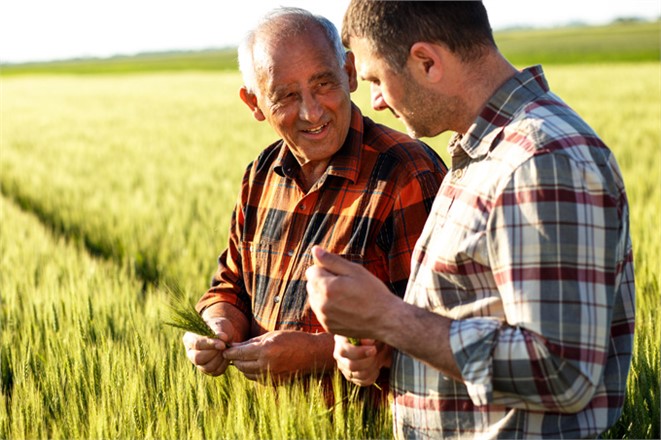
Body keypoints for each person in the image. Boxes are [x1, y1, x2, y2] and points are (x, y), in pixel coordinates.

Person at [306, 1, 636, 437]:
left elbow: (562, 371)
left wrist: (390, 317)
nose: (376, 102)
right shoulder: (484, 151)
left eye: (376, 80)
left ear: (427, 62)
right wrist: (392, 345)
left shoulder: (540, 160)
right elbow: (480, 312)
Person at [181, 5, 447, 397]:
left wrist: (318, 354)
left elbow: (440, 330)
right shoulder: (260, 174)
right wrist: (218, 328)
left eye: (323, 83)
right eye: (286, 96)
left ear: (350, 73)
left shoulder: (407, 174)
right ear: (253, 104)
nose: (312, 111)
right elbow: (231, 285)